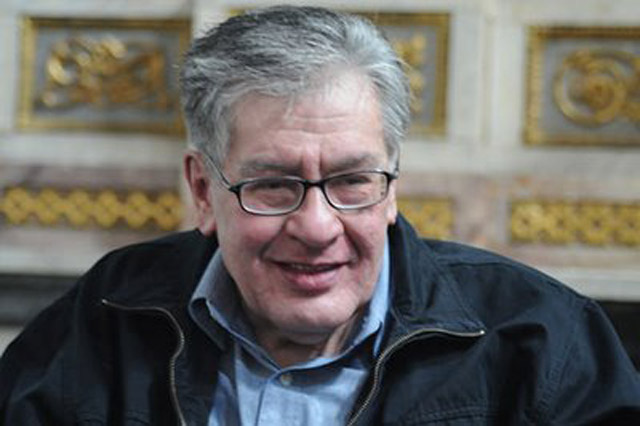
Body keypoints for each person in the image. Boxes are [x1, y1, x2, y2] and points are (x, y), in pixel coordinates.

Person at [1, 5, 639, 425]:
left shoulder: (542, 340)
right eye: (274, 186)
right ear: (202, 190)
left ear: (391, 188)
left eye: (352, 181)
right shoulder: (107, 314)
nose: (316, 227)